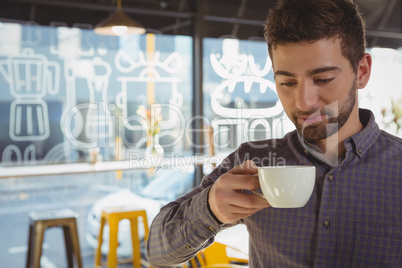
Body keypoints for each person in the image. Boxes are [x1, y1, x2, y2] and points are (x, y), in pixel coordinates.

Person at [146, 0, 402, 267]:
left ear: (361, 72)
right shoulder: (253, 162)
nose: (303, 102)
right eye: (287, 82)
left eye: (323, 79)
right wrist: (210, 208)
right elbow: (157, 250)